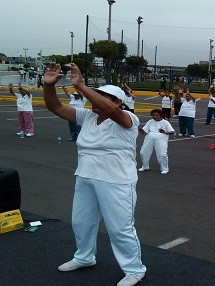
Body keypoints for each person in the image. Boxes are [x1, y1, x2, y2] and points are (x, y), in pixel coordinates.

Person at [43, 63, 146, 286]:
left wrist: (80, 84)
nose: (95, 98)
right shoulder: (87, 117)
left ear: (119, 101)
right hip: (86, 176)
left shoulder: (127, 119)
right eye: (96, 94)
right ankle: (84, 257)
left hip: (117, 181)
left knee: (120, 229)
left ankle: (134, 269)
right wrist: (48, 86)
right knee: (81, 222)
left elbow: (111, 111)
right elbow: (56, 107)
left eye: (104, 96)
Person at [138, 109, 175, 174]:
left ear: (161, 116)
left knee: (162, 154)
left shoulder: (165, 122)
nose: (154, 116)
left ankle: (164, 168)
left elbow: (172, 132)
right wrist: (142, 130)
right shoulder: (150, 121)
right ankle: (145, 166)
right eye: (153, 115)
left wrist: (165, 132)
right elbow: (145, 130)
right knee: (143, 152)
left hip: (161, 138)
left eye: (156, 115)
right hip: (150, 137)